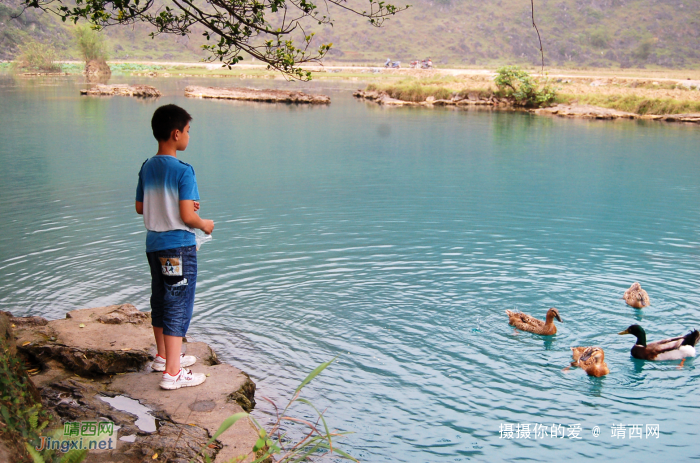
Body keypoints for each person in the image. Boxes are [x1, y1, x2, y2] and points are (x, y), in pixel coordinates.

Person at [135, 104, 215, 390]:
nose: (189, 137)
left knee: (160, 298)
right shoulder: (183, 171)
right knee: (178, 304)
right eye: (188, 131)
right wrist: (203, 223)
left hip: (154, 245)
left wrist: (173, 206)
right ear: (175, 133)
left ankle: (162, 356)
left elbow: (140, 207)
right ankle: (173, 372)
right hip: (178, 247)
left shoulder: (148, 166)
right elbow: (187, 216)